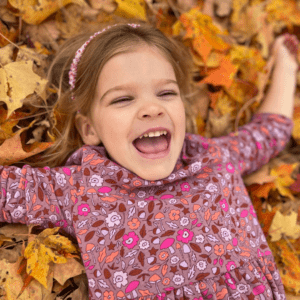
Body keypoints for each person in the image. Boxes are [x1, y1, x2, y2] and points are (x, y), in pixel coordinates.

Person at [0, 19, 299, 300]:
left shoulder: (214, 157)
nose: (152, 108)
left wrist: (287, 66)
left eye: (166, 92)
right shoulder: (77, 187)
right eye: (122, 99)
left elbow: (269, 130)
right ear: (89, 129)